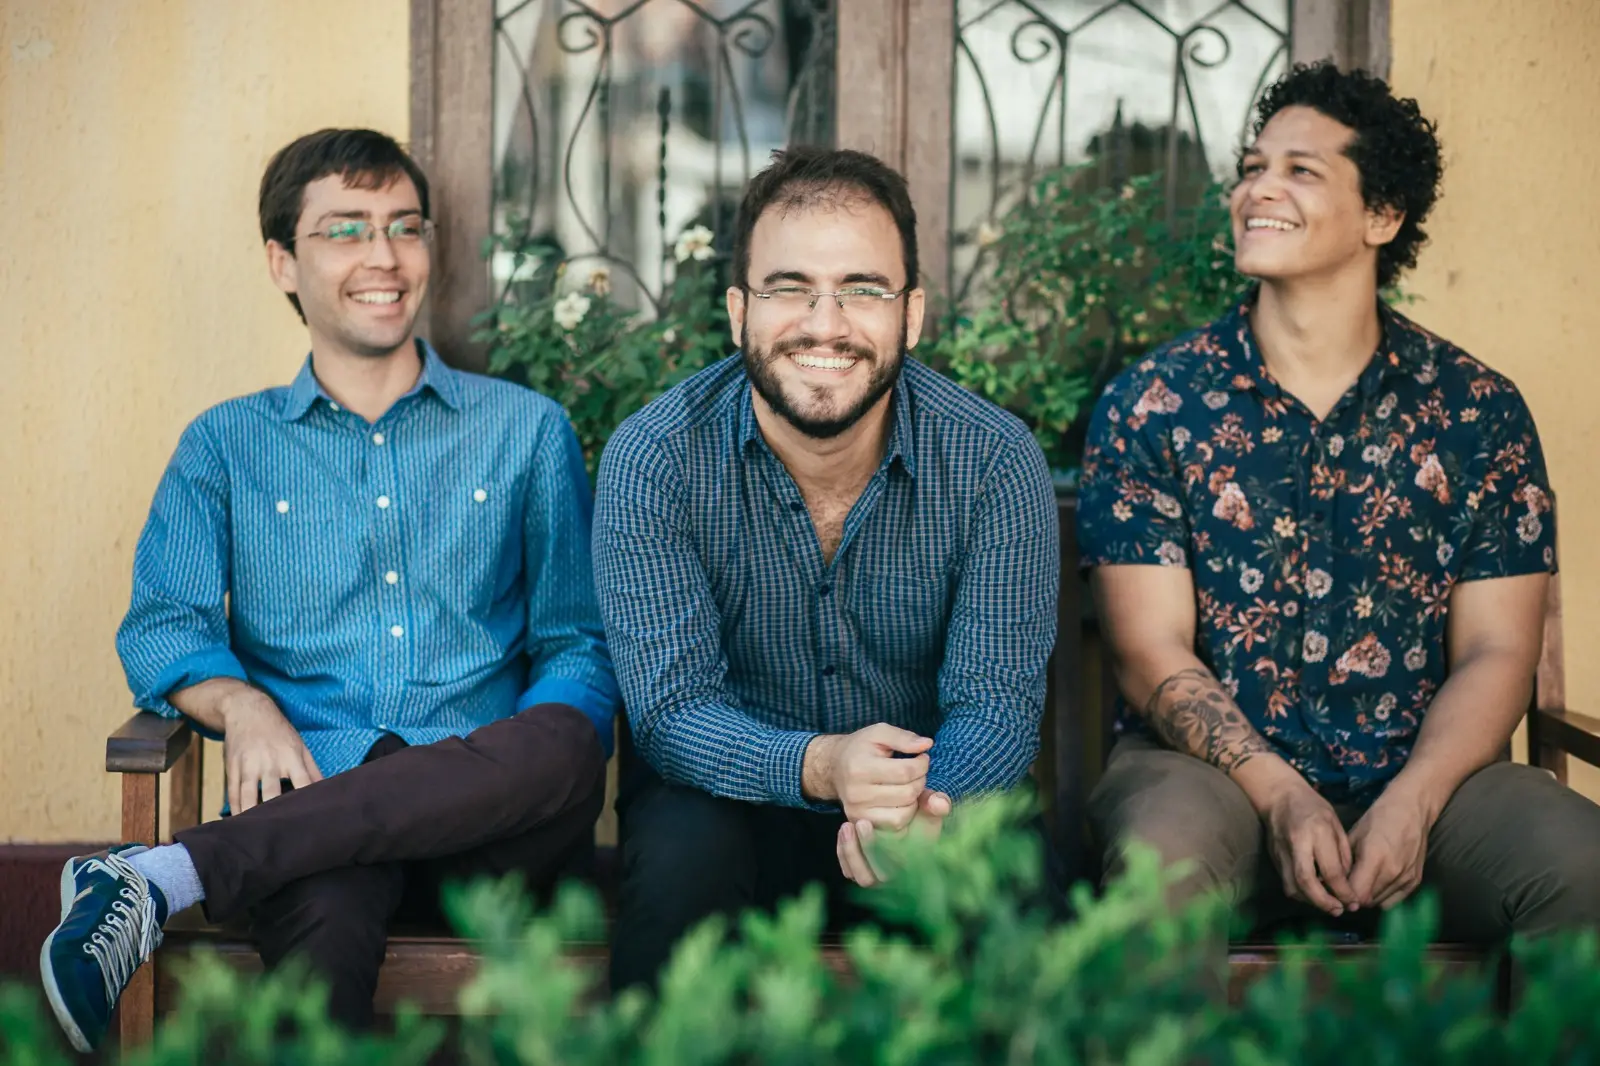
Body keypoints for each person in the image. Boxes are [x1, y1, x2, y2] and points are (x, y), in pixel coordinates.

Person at [40, 128, 618, 1052]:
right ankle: (184, 874)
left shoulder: (527, 431)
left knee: (562, 739)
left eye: (404, 226)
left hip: (496, 827)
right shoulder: (225, 445)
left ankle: (167, 876)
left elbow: (576, 644)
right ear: (282, 262)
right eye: (344, 230)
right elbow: (164, 627)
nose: (383, 257)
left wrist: (535, 745)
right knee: (327, 903)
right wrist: (243, 705)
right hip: (314, 798)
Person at [1079, 61, 1600, 941]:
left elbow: (1499, 652)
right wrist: (1280, 794)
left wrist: (1415, 799)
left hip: (1434, 789)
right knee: (1157, 875)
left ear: (1382, 217)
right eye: (1251, 168)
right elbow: (1148, 651)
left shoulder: (1476, 410)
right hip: (1209, 784)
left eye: (1300, 170)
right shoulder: (1155, 402)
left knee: (1581, 869)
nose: (1258, 190)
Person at [594, 146, 1059, 989]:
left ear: (912, 315)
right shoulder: (656, 458)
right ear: (738, 311)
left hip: (931, 799)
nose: (825, 323)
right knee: (680, 869)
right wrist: (824, 766)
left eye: (863, 289)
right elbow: (671, 711)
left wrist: (919, 813)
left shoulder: (993, 461)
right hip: (729, 802)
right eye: (789, 288)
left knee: (1024, 886)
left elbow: (995, 704)